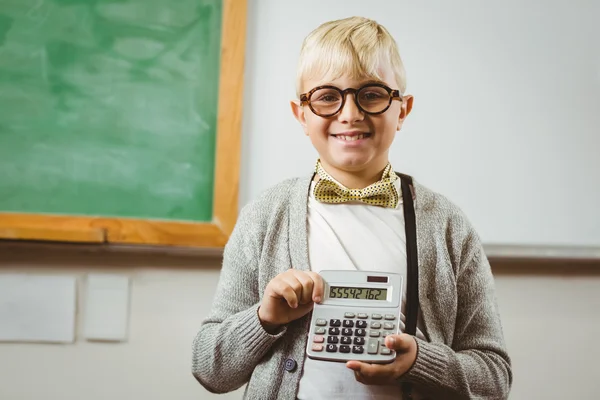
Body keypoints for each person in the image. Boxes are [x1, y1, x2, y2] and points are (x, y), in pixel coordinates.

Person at [192, 16, 512, 400]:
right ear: (302, 115)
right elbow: (210, 370)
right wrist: (265, 319)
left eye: (372, 94)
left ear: (403, 110)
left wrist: (420, 362)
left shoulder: (447, 225)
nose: (350, 114)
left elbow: (494, 380)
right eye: (328, 96)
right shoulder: (265, 216)